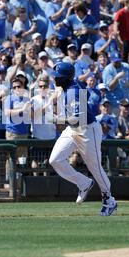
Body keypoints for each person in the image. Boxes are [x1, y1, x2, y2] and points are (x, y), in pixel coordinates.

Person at [48, 62, 117, 216]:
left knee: (95, 168)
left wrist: (57, 119)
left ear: (66, 78)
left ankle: (109, 199)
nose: (55, 79)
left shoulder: (75, 91)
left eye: (58, 77)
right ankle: (83, 183)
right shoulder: (67, 85)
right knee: (55, 160)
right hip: (73, 130)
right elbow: (59, 92)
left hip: (87, 130)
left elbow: (78, 118)